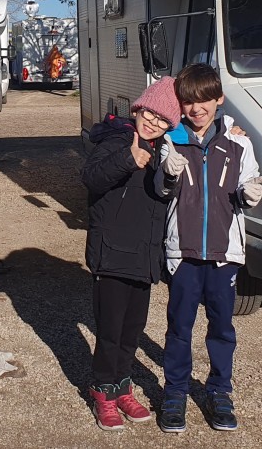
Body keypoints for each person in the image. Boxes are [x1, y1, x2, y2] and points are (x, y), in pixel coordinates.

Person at [155, 63, 262, 434]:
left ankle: (220, 391)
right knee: (179, 328)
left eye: (204, 100)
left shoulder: (239, 142)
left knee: (222, 328)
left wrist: (252, 196)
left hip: (224, 254)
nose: (196, 108)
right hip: (182, 253)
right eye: (188, 101)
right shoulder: (170, 140)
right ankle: (175, 393)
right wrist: (167, 173)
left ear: (219, 99)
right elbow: (159, 192)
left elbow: (249, 187)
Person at [80, 76, 187, 432]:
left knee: (131, 330)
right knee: (109, 330)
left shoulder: (165, 149)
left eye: (162, 119)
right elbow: (91, 178)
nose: (153, 122)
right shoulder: (117, 138)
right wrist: (128, 159)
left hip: (144, 255)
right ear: (138, 107)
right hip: (111, 253)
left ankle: (123, 387)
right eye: (150, 113)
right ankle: (103, 393)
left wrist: (235, 135)